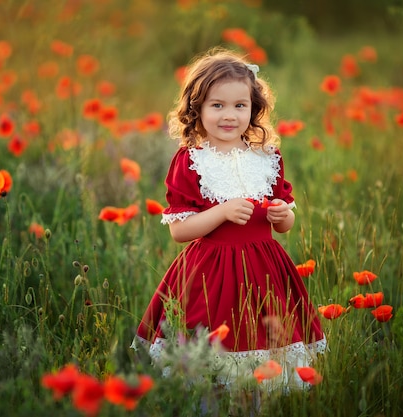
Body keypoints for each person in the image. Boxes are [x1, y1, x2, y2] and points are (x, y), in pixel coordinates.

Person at [132, 48, 326, 399]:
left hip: (264, 270)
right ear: (197, 110)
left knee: (264, 346)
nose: (229, 115)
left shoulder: (267, 158)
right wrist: (220, 213)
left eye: (240, 106)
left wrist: (284, 215)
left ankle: (257, 402)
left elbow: (284, 223)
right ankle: (211, 402)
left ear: (254, 110)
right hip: (211, 273)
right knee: (214, 354)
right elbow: (179, 231)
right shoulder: (191, 161)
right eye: (217, 105)